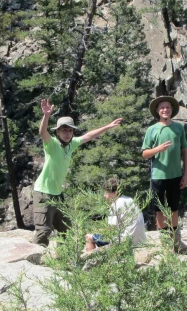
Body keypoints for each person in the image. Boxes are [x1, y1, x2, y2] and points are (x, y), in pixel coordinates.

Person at [33, 98, 122, 246]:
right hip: (43, 193)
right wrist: (46, 115)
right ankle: (32, 261)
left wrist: (108, 126)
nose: (67, 133)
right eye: (64, 130)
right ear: (58, 132)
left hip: (57, 195)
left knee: (66, 230)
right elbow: (42, 132)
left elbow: (89, 136)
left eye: (70, 130)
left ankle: (63, 260)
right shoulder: (52, 145)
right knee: (44, 231)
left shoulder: (71, 145)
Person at [141, 95, 187, 253]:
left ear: (172, 110)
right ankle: (165, 244)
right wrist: (158, 149)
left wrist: (186, 174)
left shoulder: (178, 128)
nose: (165, 110)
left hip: (175, 175)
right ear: (157, 110)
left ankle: (176, 243)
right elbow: (145, 153)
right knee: (159, 210)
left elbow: (185, 150)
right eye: (162, 107)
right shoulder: (152, 130)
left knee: (174, 209)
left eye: (168, 107)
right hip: (158, 176)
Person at [85, 177, 146, 253]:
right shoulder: (130, 200)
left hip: (126, 242)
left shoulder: (115, 205)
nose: (105, 195)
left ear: (115, 192)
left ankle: (89, 261)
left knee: (88, 237)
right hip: (140, 240)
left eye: (107, 193)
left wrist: (97, 231)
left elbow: (111, 232)